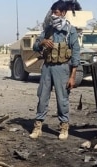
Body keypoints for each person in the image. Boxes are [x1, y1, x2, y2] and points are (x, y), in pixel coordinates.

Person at [29, 0, 80, 140]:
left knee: (62, 99)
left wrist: (72, 76)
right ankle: (38, 126)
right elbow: (35, 47)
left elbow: (76, 54)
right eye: (52, 12)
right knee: (42, 97)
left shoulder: (70, 31)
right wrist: (43, 42)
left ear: (63, 13)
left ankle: (64, 127)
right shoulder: (48, 30)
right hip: (47, 67)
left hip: (62, 68)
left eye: (56, 12)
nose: (53, 15)